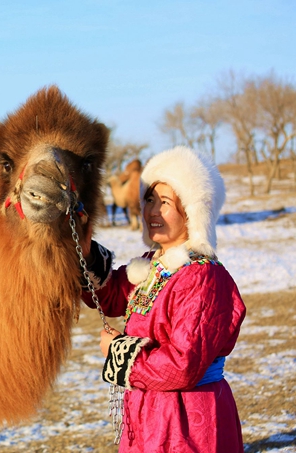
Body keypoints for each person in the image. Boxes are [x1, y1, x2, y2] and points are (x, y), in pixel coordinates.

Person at [80, 146, 246, 452]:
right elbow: (112, 296)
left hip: (188, 420)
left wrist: (119, 351)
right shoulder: (153, 265)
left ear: (193, 212)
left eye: (165, 202)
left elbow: (183, 365)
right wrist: (83, 248)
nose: (152, 211)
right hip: (146, 412)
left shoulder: (202, 278)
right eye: (149, 199)